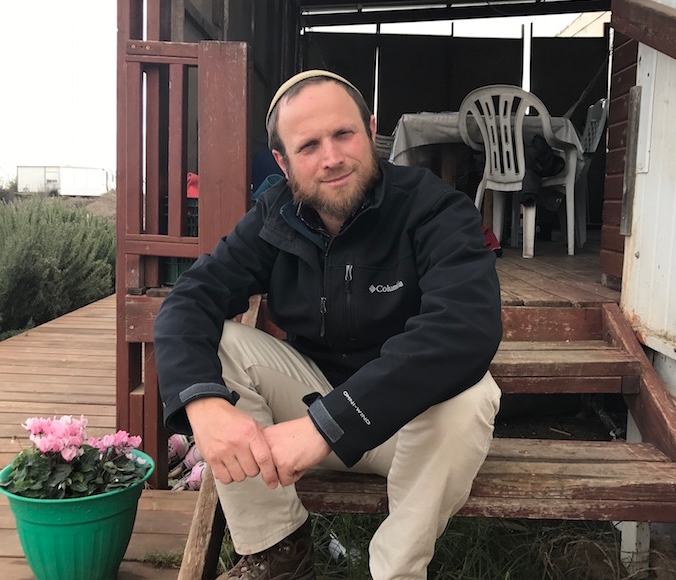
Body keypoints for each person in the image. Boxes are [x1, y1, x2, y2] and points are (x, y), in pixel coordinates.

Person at [153, 70, 503, 580]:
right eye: (309, 145)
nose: (332, 157)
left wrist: (331, 423)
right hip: (305, 414)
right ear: (283, 161)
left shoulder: (431, 206)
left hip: (411, 427)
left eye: (344, 134)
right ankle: (278, 554)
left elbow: (467, 326)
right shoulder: (274, 218)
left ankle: (397, 571)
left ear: (372, 130)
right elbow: (188, 301)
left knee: (474, 396)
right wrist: (202, 404)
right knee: (221, 347)